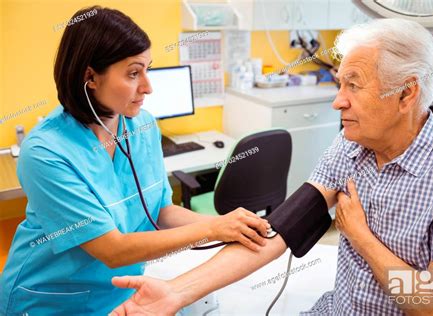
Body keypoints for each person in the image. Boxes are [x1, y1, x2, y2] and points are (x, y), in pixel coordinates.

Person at [111, 18, 433, 315]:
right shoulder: (351, 147)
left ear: (406, 94)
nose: (338, 102)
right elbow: (278, 232)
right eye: (339, 84)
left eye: (353, 86)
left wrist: (362, 239)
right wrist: (177, 292)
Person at [0, 6, 270, 315]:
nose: (148, 86)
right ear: (90, 76)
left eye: (147, 69)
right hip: (50, 301)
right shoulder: (45, 152)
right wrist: (217, 229)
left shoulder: (142, 126)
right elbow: (112, 250)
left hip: (123, 292)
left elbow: (163, 211)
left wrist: (235, 227)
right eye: (133, 73)